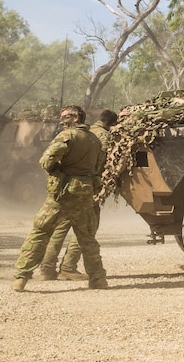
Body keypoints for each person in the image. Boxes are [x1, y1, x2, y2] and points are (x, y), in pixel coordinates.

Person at [12, 105, 108, 292]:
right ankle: (98, 280)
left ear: (75, 118)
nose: (61, 120)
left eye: (64, 116)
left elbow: (46, 161)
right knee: (87, 238)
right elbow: (97, 167)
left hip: (61, 194)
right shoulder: (95, 140)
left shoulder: (67, 136)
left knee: (40, 232)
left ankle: (21, 277)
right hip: (84, 194)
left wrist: (56, 172)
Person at [36, 108, 116, 281]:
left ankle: (47, 269)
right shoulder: (102, 137)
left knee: (60, 227)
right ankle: (69, 267)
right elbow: (101, 164)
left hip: (64, 187)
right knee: (86, 229)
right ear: (112, 123)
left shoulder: (82, 132)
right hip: (86, 188)